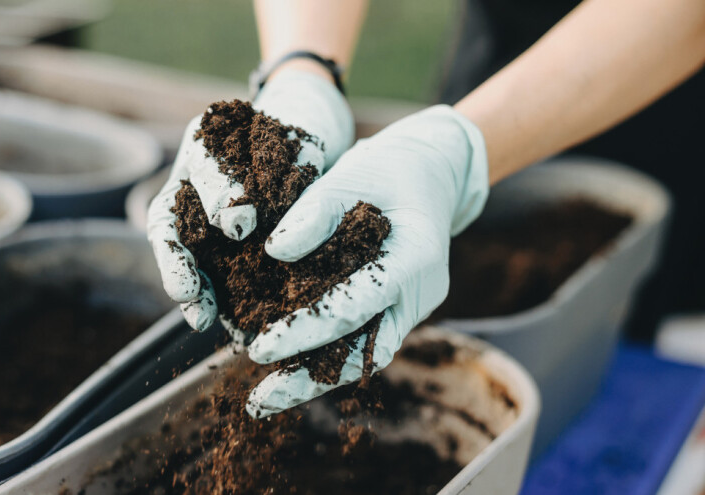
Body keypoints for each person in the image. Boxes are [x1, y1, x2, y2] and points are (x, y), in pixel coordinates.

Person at [148, 0, 705, 417]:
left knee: (648, 354)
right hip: (502, 62)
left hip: (666, 94)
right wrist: (302, 70)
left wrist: (454, 153)